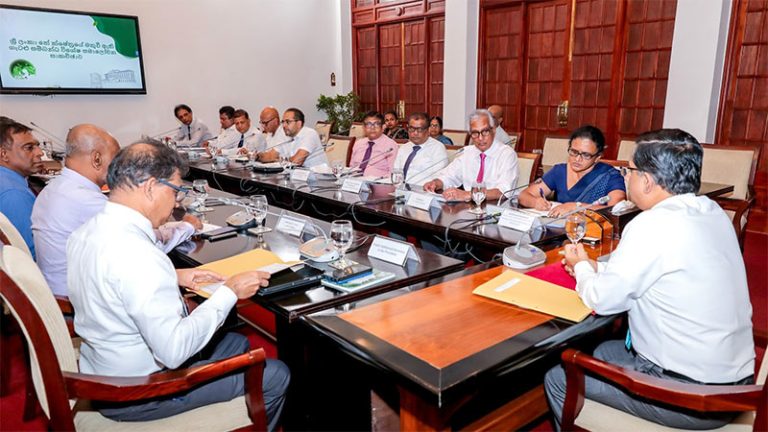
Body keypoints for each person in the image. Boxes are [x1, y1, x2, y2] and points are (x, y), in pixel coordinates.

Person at [67, 142, 289, 429]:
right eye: (175, 191)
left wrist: (175, 276)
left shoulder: (88, 231)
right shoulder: (139, 255)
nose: (176, 203)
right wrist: (229, 293)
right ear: (149, 187)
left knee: (236, 342)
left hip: (103, 365)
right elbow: (173, 351)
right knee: (276, 374)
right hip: (138, 393)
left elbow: (112, 280)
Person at [545, 129, 754, 431]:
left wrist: (581, 268)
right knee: (604, 351)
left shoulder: (651, 224)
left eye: (628, 170)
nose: (625, 176)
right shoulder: (713, 212)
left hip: (692, 397)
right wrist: (593, 267)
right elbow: (651, 271)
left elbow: (602, 300)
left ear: (647, 180)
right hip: (735, 383)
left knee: (558, 377)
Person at [32, 124, 200, 297]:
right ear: (96, 159)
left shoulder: (53, 189)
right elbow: (149, 247)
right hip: (76, 302)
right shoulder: (86, 200)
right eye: (117, 159)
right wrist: (187, 226)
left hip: (59, 291)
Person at [518, 125, 626, 217]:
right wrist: (535, 202)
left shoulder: (610, 176)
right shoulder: (559, 171)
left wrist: (576, 207)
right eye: (574, 152)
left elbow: (616, 210)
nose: (577, 159)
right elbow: (523, 195)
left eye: (586, 155)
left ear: (597, 157)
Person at [424, 109, 518, 203]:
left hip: (494, 208)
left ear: (493, 130)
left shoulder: (507, 154)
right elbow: (448, 176)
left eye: (485, 131)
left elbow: (503, 192)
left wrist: (468, 194)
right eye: (475, 133)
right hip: (467, 208)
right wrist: (436, 183)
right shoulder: (467, 152)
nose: (480, 138)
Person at [0, 120, 43, 258]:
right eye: (29, 148)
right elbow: (33, 253)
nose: (40, 153)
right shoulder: (14, 193)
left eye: (37, 146)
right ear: (3, 154)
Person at [257, 108, 327, 168]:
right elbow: (271, 156)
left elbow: (297, 161)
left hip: (318, 178)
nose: (284, 125)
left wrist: (279, 160)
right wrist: (257, 156)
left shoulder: (310, 134)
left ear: (299, 123)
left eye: (288, 122)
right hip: (296, 177)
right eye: (283, 122)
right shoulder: (285, 136)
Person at [392, 112, 449, 186]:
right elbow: (396, 172)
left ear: (428, 130)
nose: (415, 133)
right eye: (412, 129)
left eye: (419, 129)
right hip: (400, 190)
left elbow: (438, 178)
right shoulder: (404, 148)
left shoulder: (437, 148)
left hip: (423, 192)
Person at [348, 111, 398, 177]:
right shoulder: (358, 143)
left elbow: (393, 173)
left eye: (376, 124)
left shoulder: (390, 146)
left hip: (378, 184)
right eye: (368, 124)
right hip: (355, 182)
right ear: (364, 127)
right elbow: (351, 167)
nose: (372, 127)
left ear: (383, 127)